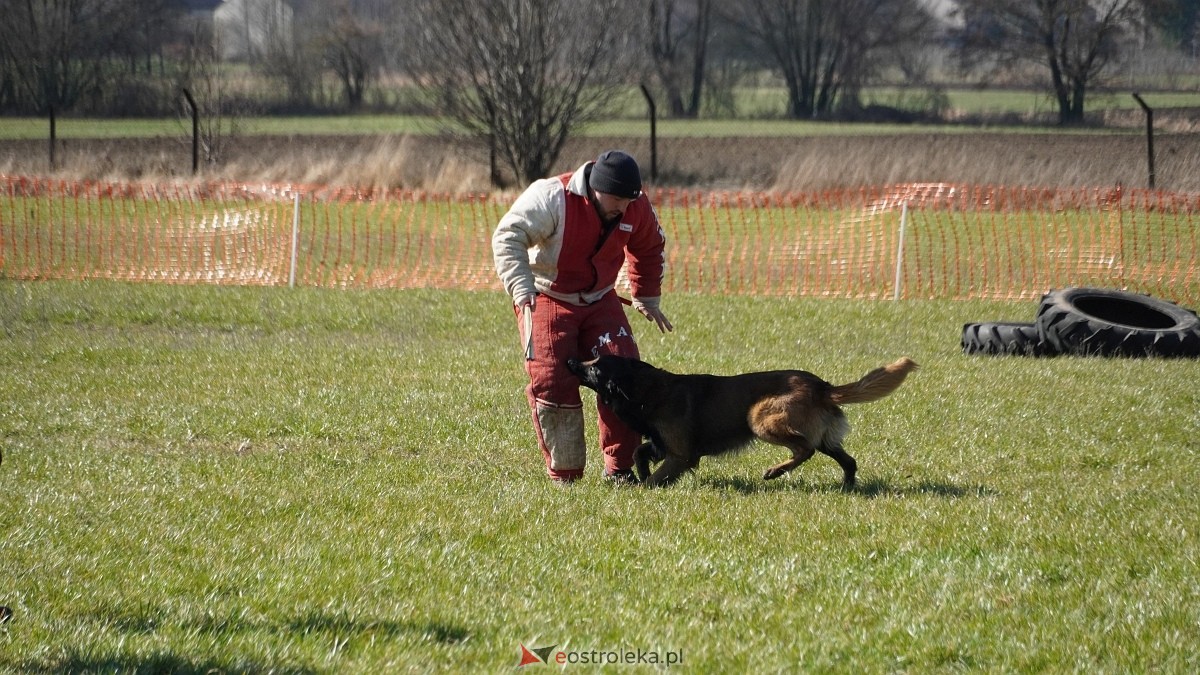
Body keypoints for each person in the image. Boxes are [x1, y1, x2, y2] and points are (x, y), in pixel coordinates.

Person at [493, 150, 673, 484]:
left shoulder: (636, 205)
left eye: (628, 199)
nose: (623, 206)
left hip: (600, 296)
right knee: (552, 379)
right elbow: (508, 236)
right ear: (594, 187)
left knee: (626, 375)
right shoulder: (552, 198)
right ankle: (566, 474)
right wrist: (521, 286)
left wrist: (646, 295)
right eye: (616, 198)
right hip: (547, 293)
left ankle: (621, 468)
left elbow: (649, 247)